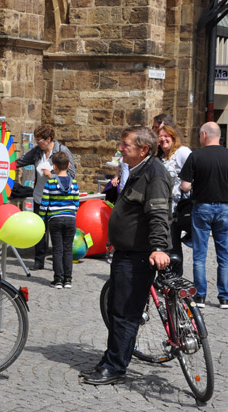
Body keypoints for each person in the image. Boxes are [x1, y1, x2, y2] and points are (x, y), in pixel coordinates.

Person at [83, 126, 171, 386]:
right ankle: (111, 358)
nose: (120, 148)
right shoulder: (138, 170)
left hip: (139, 255)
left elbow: (158, 214)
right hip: (125, 252)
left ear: (143, 149)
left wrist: (158, 247)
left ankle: (115, 367)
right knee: (117, 308)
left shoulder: (154, 174)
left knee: (125, 313)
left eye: (125, 145)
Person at [180, 122, 228, 309]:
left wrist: (199, 187)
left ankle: (200, 296)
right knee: (224, 254)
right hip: (224, 208)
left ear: (204, 134)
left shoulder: (196, 156)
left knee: (200, 254)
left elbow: (185, 186)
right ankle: (224, 297)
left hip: (202, 207)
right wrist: (225, 189)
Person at [15, 124, 77, 270]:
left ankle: (59, 264)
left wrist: (52, 176)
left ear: (49, 139)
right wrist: (3, 165)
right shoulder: (38, 152)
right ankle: (39, 260)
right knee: (39, 230)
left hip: (56, 199)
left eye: (40, 140)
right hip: (40, 197)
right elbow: (21, 161)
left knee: (56, 232)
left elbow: (72, 174)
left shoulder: (62, 151)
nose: (38, 143)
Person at [38, 151, 80, 289]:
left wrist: (41, 219)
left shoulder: (50, 184)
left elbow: (45, 204)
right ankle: (68, 279)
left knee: (57, 249)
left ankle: (58, 280)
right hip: (70, 219)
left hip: (55, 219)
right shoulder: (74, 184)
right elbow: (76, 203)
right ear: (68, 165)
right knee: (68, 249)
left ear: (54, 167)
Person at [156, 124, 192, 276]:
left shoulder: (181, 152)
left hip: (176, 209)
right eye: (160, 136)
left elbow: (194, 171)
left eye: (166, 136)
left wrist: (187, 187)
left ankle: (176, 278)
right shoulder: (159, 157)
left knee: (173, 244)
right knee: (162, 244)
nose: (163, 139)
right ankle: (164, 277)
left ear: (173, 137)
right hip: (161, 208)